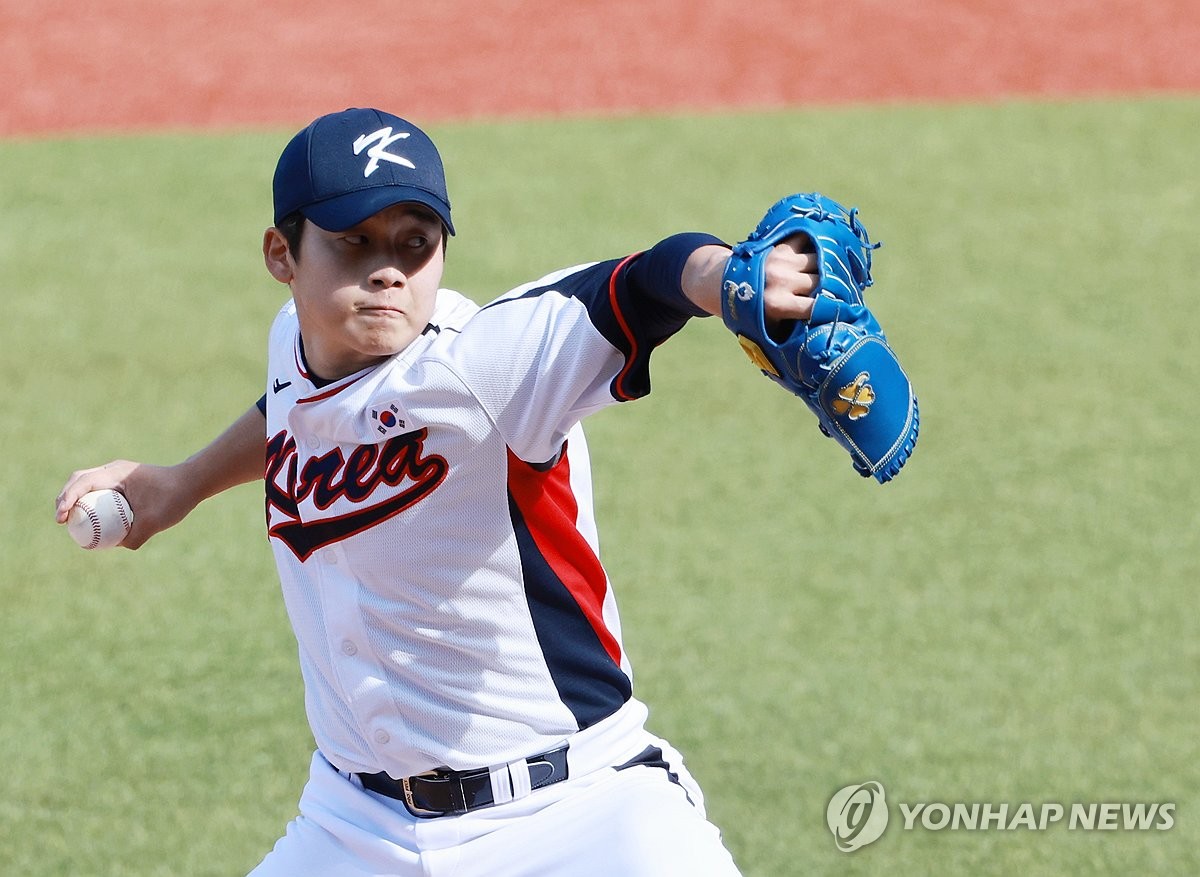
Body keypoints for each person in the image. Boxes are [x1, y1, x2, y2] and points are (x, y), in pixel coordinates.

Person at [55, 107, 822, 876]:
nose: (388, 270)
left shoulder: (489, 366)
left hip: (577, 814)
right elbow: (295, 411)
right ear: (281, 255)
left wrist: (722, 276)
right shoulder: (295, 339)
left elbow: (639, 282)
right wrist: (182, 484)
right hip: (355, 825)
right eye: (355, 242)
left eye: (414, 245)